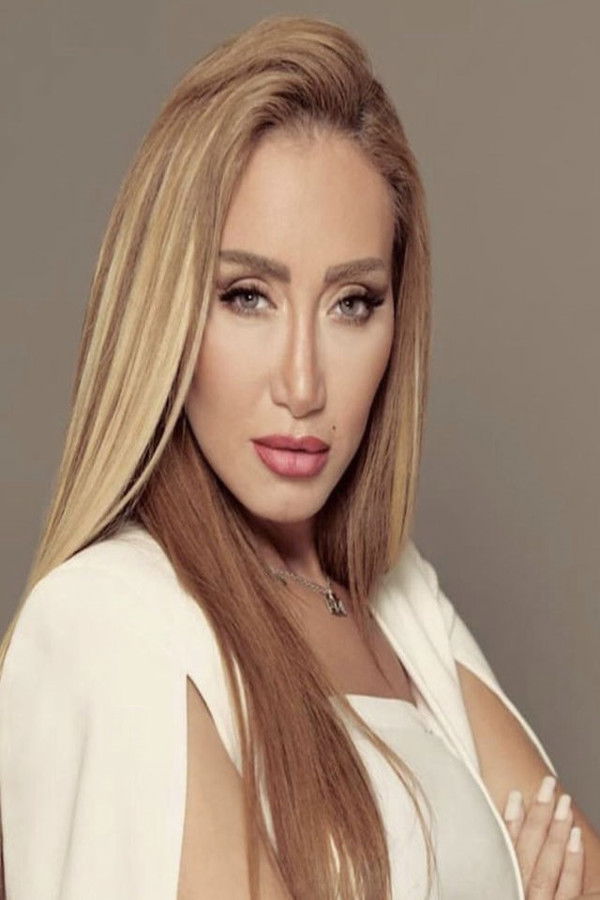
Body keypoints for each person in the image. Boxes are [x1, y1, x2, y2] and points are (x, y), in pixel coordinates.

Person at [0, 14, 598, 900]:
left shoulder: (401, 603)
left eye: (352, 303)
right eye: (248, 296)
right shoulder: (106, 622)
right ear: (164, 308)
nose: (303, 382)